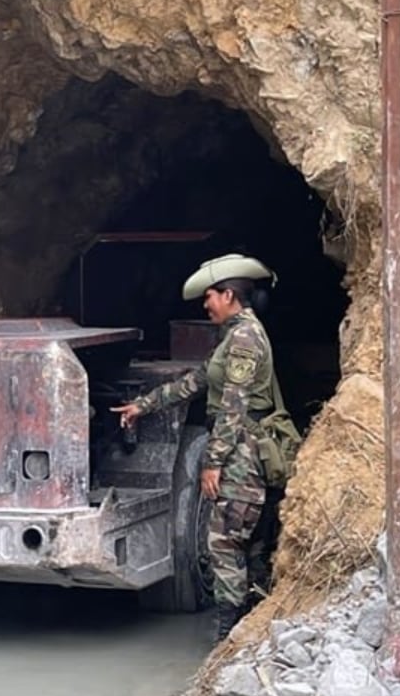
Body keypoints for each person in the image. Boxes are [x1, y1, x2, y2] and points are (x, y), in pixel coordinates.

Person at [110, 254, 296, 642]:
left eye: (210, 296)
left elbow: (233, 404)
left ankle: (227, 636)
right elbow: (197, 381)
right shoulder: (232, 336)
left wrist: (213, 463)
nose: (205, 304)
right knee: (244, 541)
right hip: (239, 448)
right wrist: (143, 406)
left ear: (229, 295)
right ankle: (249, 626)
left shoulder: (244, 338)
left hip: (242, 452)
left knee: (224, 542)